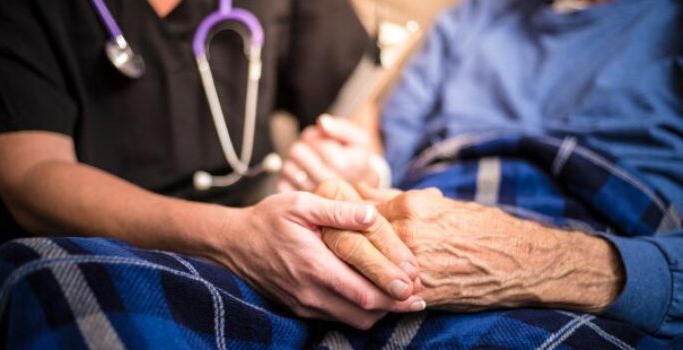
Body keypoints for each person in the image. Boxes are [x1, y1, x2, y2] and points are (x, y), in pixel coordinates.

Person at [0, 0, 427, 334]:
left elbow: (352, 102)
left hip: (273, 249)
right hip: (100, 257)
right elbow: (29, 174)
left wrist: (355, 163)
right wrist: (233, 238)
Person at [279, 0, 683, 344]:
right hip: (428, 213)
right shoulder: (469, 17)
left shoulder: (668, 25)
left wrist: (538, 263)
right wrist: (360, 169)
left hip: (608, 231)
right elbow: (390, 160)